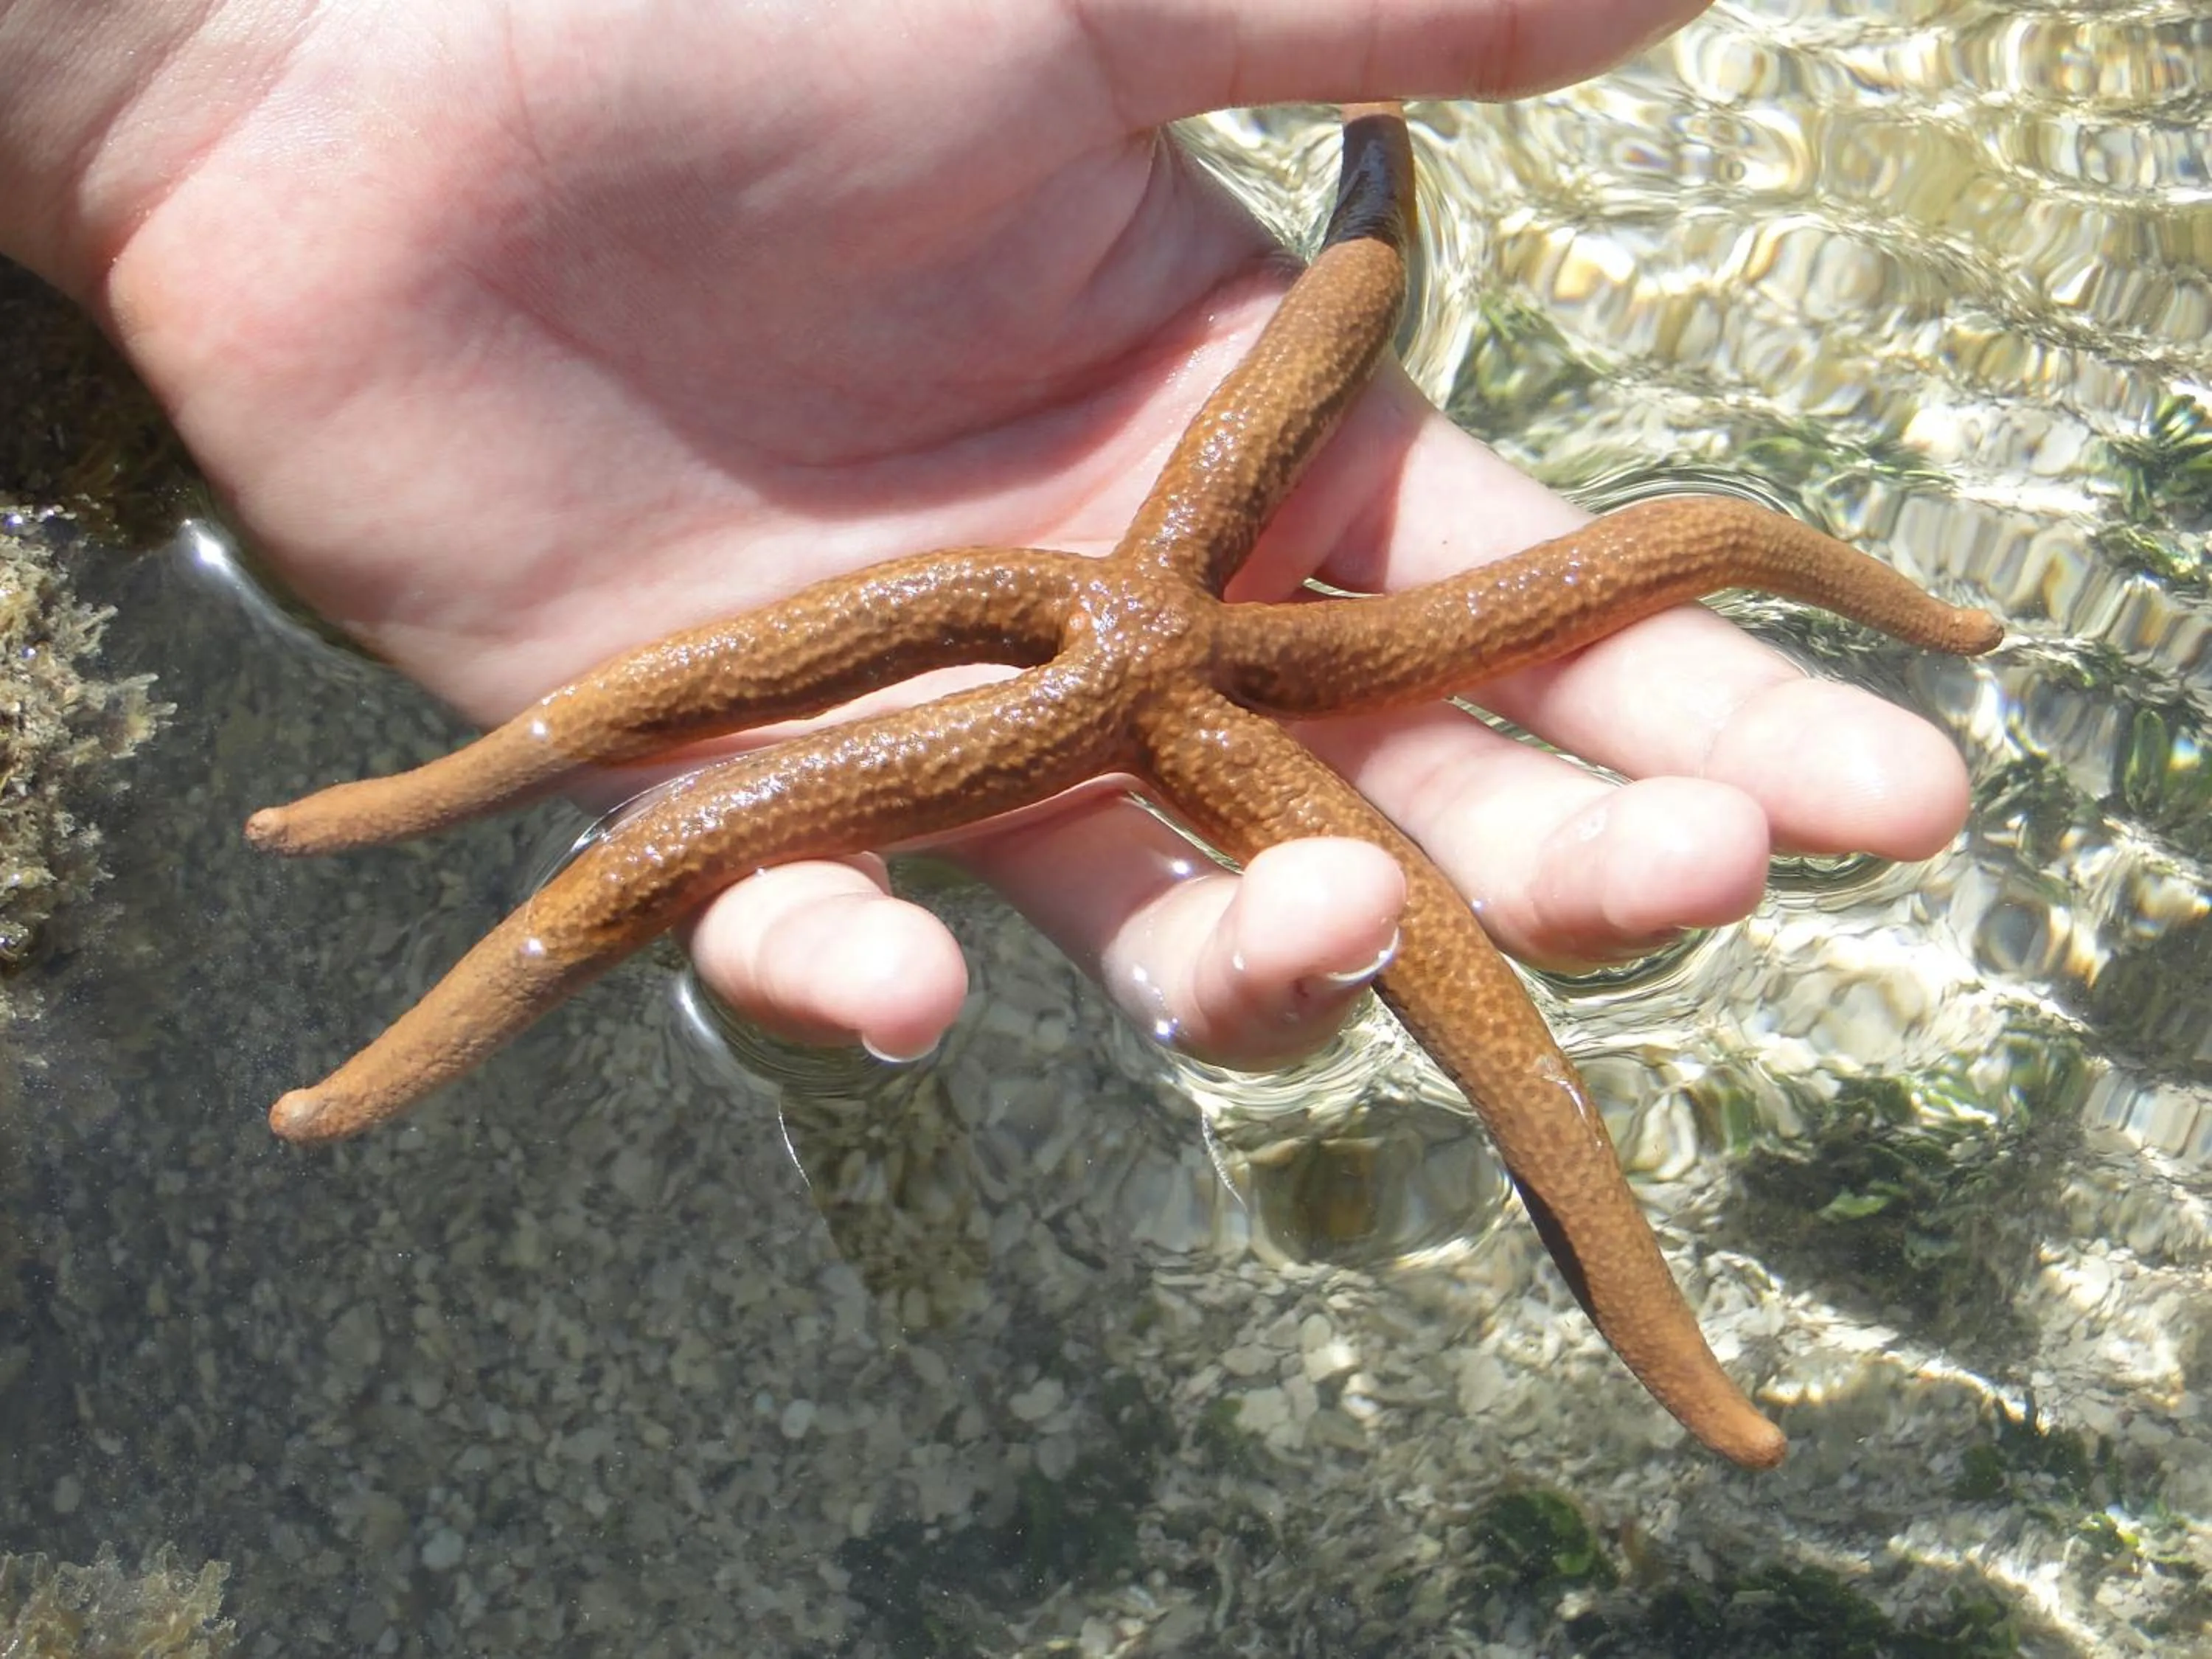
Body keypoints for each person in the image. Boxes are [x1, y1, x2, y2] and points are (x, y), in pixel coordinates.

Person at [0, 1, 1975, 1068]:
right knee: (685, 766)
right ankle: (405, 825)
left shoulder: (1090, 604)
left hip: (1161, 664)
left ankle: (408, 820)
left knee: (688, 772)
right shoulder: (1108, 609)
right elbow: (1358, 343)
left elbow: (1420, 391)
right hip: (1171, 671)